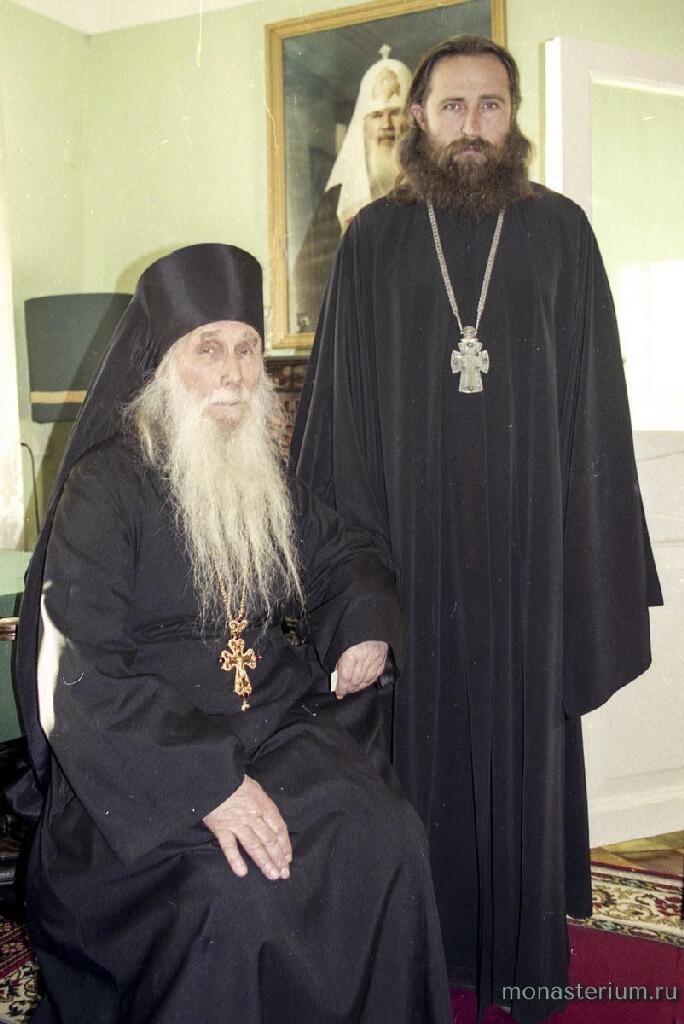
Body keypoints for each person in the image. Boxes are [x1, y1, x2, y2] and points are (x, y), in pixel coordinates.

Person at [291, 34, 662, 1024]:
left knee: (522, 752)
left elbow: (596, 411)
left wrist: (590, 564)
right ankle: (425, 950)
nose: (472, 126)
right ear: (417, 118)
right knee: (415, 757)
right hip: (411, 558)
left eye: (490, 106)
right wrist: (360, 591)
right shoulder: (372, 243)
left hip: (529, 562)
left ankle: (520, 959)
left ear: (514, 117)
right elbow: (340, 428)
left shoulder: (561, 232)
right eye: (452, 106)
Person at [15, 244, 452, 1024]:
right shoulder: (103, 487)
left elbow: (343, 554)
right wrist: (204, 786)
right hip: (147, 767)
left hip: (274, 728)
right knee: (232, 896)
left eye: (247, 349)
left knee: (390, 838)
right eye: (207, 350)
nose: (235, 373)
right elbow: (79, 667)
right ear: (162, 366)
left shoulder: (261, 474)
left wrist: (362, 628)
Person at [292, 46, 411, 332]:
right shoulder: (337, 199)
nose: (386, 125)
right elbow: (308, 279)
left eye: (395, 113)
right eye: (376, 115)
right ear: (363, 126)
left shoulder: (433, 192)